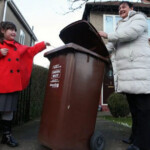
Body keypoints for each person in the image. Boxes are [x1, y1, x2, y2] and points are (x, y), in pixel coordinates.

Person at [99, 1, 150, 150]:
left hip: (139, 71)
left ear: (131, 9)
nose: (121, 9)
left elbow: (131, 33)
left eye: (124, 7)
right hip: (128, 73)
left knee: (144, 110)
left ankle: (142, 144)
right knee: (134, 110)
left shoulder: (139, 18)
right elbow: (112, 45)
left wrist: (108, 35)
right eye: (119, 8)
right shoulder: (119, 26)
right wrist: (98, 52)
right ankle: (135, 138)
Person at [0, 21, 50, 147]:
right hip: (1, 84)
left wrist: (43, 44)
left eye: (15, 30)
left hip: (11, 85)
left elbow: (31, 51)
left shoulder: (18, 46)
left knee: (8, 111)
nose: (14, 32)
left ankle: (6, 136)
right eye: (10, 29)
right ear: (2, 31)